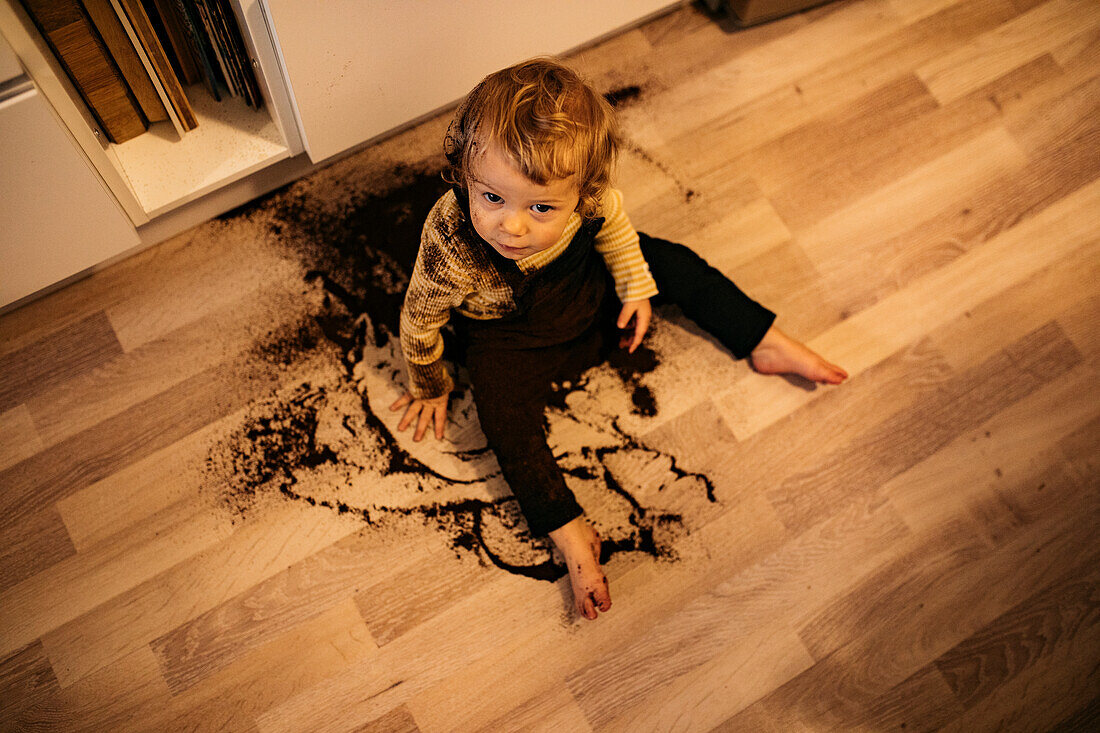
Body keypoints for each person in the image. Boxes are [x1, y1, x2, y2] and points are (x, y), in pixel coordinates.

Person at [390, 58, 847, 621]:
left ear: (582, 189)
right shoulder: (452, 241)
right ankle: (568, 529)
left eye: (540, 208)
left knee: (677, 263)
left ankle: (762, 337)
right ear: (464, 170)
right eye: (492, 199)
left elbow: (616, 230)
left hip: (590, 291)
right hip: (509, 336)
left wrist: (635, 287)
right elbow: (418, 321)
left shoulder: (592, 199)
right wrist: (431, 383)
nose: (512, 227)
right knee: (502, 419)